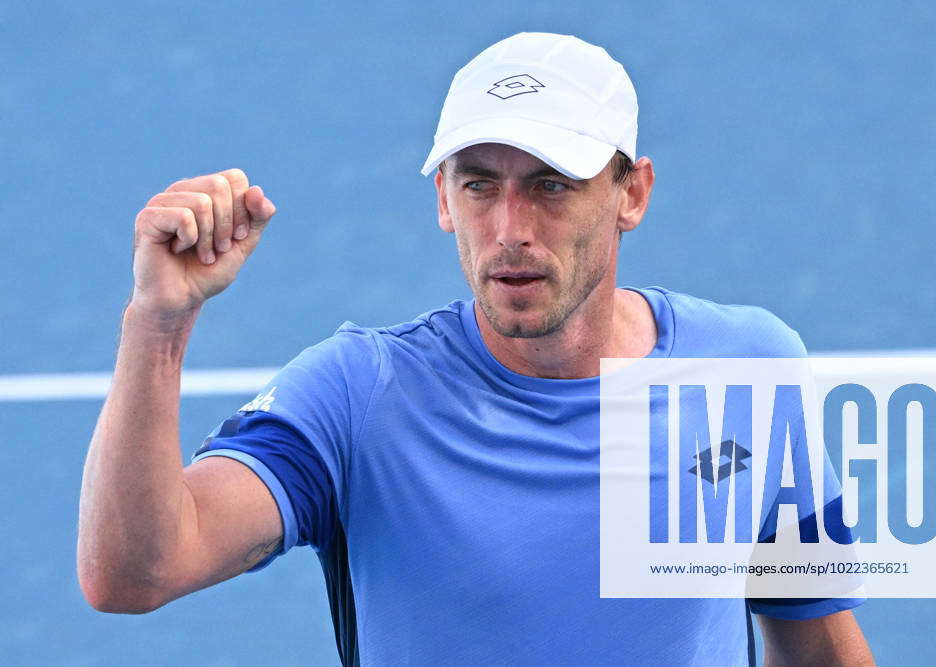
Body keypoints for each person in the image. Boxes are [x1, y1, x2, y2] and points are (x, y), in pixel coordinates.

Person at [78, 32, 873, 665]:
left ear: (632, 194)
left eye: (552, 185)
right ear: (443, 200)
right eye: (480, 183)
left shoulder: (749, 367)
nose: (511, 228)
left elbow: (813, 635)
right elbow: (134, 573)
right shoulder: (359, 396)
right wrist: (159, 320)